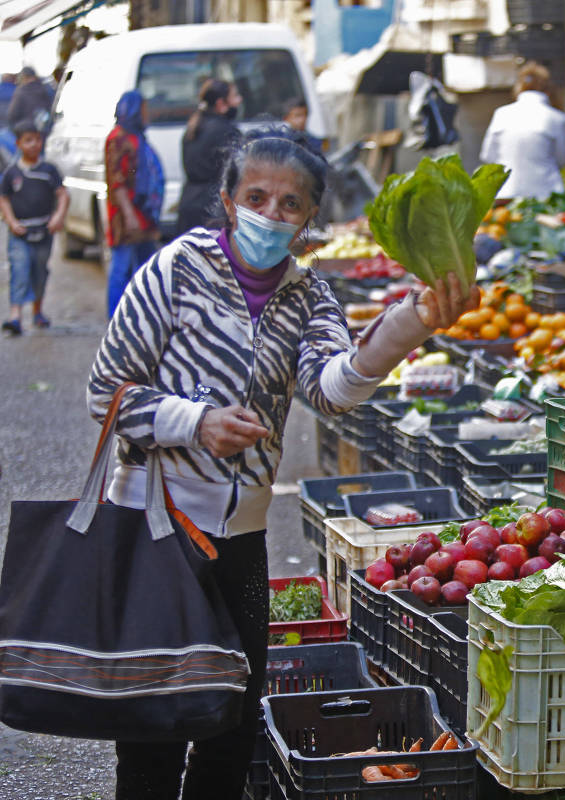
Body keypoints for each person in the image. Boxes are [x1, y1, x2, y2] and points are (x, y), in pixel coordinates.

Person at [85, 127, 479, 798]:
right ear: (229, 200)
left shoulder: (308, 297)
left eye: (291, 204)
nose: (272, 214)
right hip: (156, 531)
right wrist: (196, 422)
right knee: (153, 735)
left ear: (309, 218)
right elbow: (106, 392)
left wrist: (413, 322)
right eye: (258, 196)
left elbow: (332, 391)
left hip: (239, 540)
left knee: (230, 731)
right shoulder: (174, 270)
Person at [0, 120, 68, 336]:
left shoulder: (49, 171)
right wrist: (11, 221)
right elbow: (4, 199)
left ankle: (38, 312)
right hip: (20, 233)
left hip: (44, 232)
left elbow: (63, 195)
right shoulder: (11, 173)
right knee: (19, 269)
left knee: (39, 272)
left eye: (37, 139)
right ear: (19, 144)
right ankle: (15, 316)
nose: (34, 144)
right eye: (28, 140)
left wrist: (58, 217)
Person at [104, 90, 164, 316]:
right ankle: (116, 318)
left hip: (143, 214)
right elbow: (117, 179)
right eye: (144, 109)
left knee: (145, 269)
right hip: (126, 217)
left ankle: (141, 316)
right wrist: (129, 215)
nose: (147, 114)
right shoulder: (118, 138)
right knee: (121, 269)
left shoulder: (136, 136)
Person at [479, 62, 565, 200]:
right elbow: (562, 160)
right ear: (548, 90)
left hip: (505, 193)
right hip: (545, 196)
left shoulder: (501, 114)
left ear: (519, 88)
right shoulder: (557, 118)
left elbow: (487, 156)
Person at [178, 79, 242, 232]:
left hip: (189, 203)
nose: (239, 100)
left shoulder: (193, 128)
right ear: (221, 104)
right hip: (214, 209)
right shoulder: (226, 131)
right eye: (235, 96)